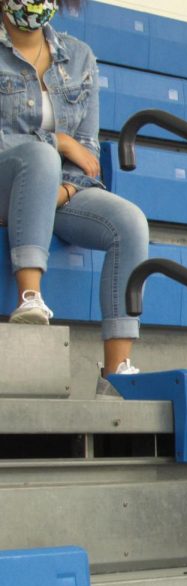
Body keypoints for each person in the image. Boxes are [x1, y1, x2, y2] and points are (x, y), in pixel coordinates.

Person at [0, 0, 148, 396]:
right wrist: (56, 141)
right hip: (5, 181)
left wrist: (62, 189)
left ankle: (116, 374)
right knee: (40, 153)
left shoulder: (79, 56)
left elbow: (88, 151)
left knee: (129, 222)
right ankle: (30, 297)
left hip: (60, 190)